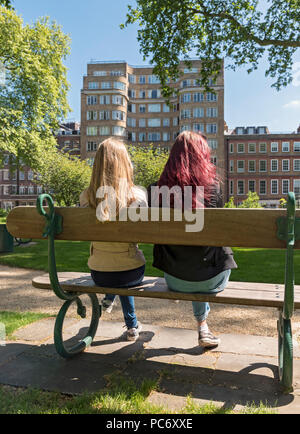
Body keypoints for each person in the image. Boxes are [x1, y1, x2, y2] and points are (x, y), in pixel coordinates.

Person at [147, 131, 237, 348]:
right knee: (206, 263)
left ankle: (203, 327)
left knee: (196, 263)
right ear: (202, 155)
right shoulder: (213, 190)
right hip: (211, 279)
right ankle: (202, 327)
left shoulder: (155, 191)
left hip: (174, 278)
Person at [80, 138, 147, 341]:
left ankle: (113, 303)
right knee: (125, 268)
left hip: (99, 272)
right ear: (125, 164)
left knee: (115, 271)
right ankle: (131, 324)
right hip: (131, 272)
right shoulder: (138, 196)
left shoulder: (86, 197)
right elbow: (143, 235)